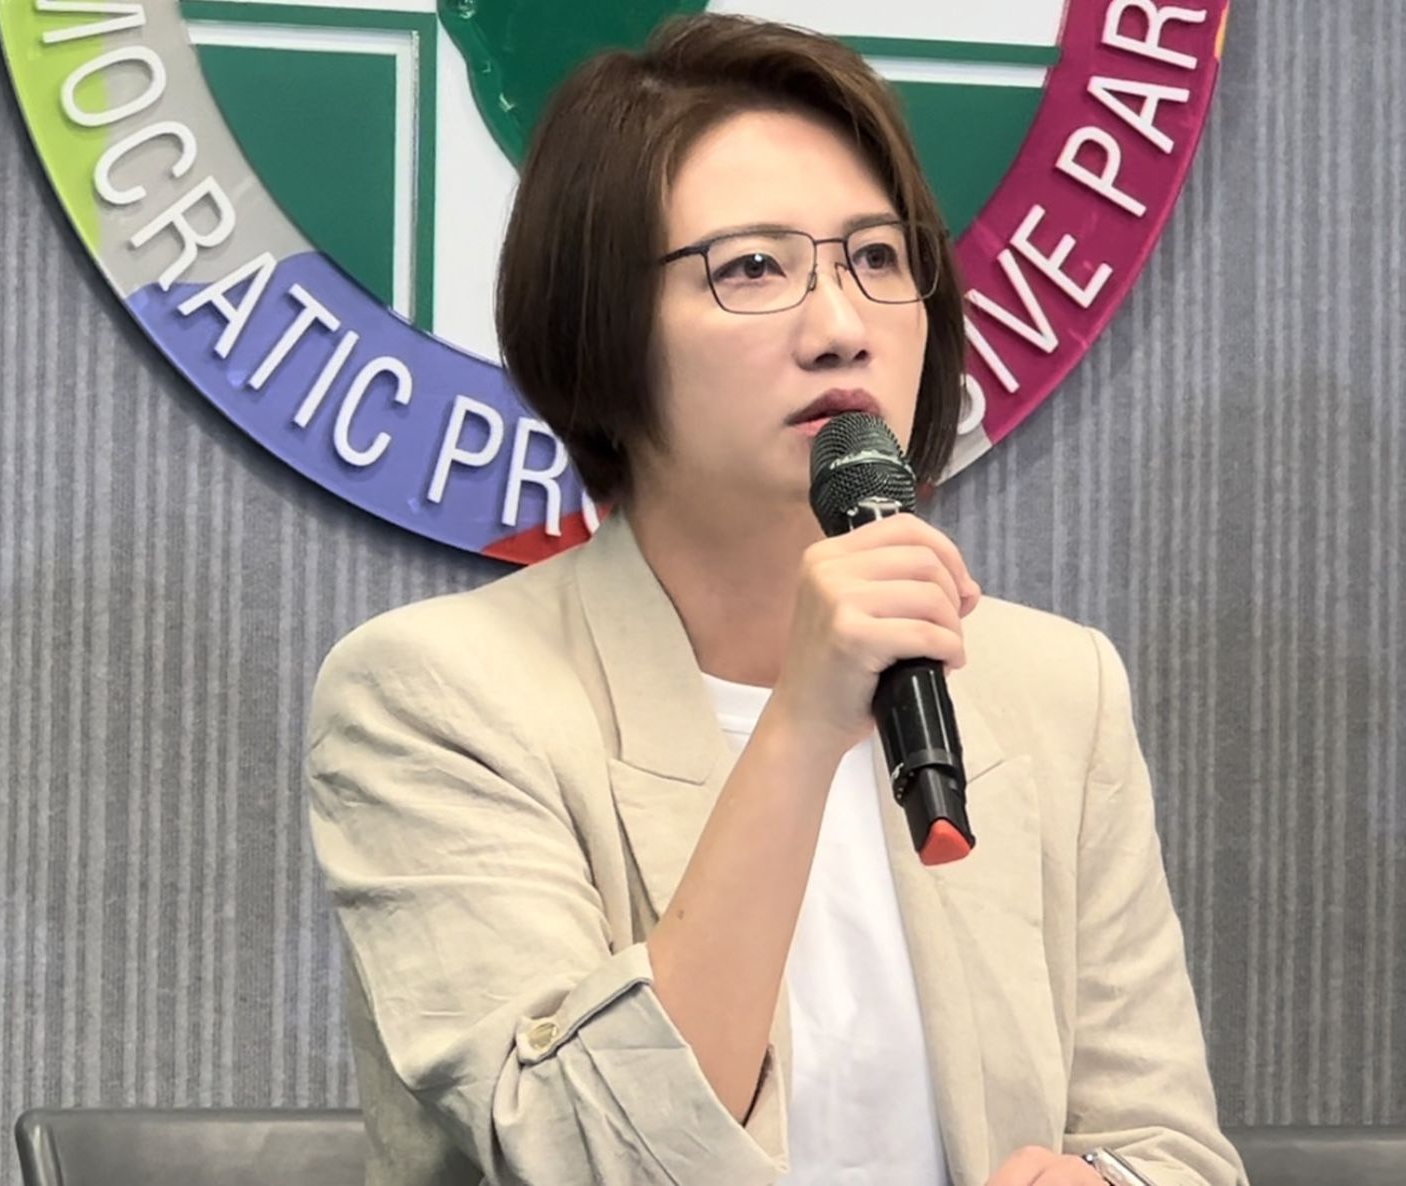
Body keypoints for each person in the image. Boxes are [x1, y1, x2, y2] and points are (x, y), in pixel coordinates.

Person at [305, 14, 1246, 1186]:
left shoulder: (1054, 689)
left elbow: (1173, 1148)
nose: (841, 327)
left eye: (878, 259)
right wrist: (802, 725)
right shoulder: (437, 695)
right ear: (598, 325)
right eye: (751, 267)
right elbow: (583, 1159)